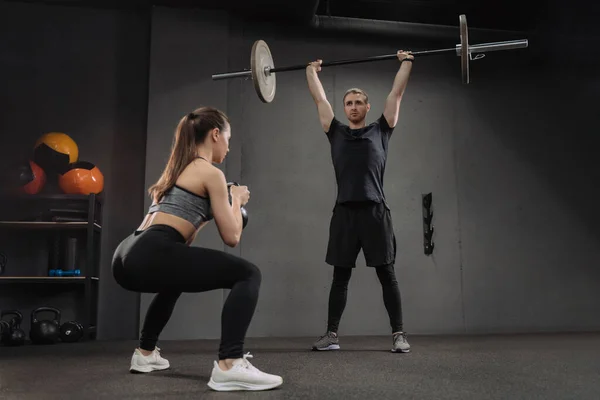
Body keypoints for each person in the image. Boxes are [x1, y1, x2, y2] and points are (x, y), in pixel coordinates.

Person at [111, 106, 283, 392]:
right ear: (216, 135)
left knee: (175, 278)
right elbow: (232, 237)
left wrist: (216, 206)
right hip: (152, 250)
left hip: (127, 254)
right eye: (228, 138)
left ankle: (145, 354)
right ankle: (230, 363)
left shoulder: (177, 170)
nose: (228, 147)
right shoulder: (210, 173)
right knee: (248, 274)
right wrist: (236, 201)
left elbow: (183, 236)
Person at [305, 50, 414, 353]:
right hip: (344, 214)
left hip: (375, 211)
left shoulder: (382, 129)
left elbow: (397, 92)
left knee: (387, 275)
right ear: (345, 108)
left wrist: (406, 62)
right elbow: (319, 99)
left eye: (358, 103)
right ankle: (331, 335)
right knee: (340, 276)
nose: (353, 107)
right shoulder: (335, 132)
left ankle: (399, 335)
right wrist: (312, 71)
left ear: (368, 106)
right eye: (348, 103)